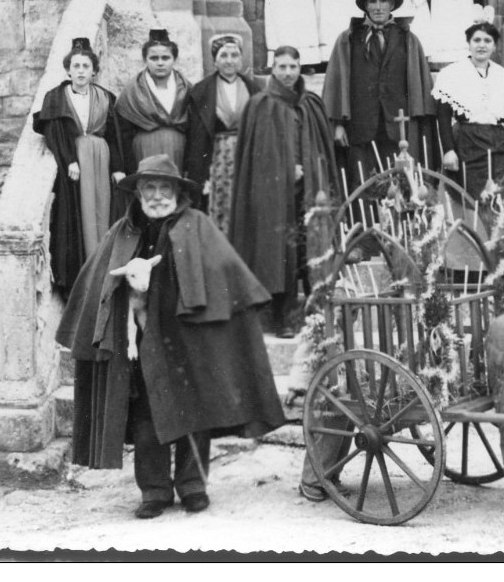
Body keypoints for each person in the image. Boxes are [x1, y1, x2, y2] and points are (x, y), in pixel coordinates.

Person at [56, 154, 286, 519]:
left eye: (166, 188)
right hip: (144, 343)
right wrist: (121, 285)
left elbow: (226, 275)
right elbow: (97, 281)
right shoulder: (123, 231)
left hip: (189, 340)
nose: (158, 195)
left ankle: (193, 485)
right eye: (150, 188)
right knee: (148, 418)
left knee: (196, 411)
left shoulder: (198, 225)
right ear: (139, 192)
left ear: (178, 192)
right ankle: (155, 491)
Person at [229, 46, 338, 338]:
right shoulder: (260, 105)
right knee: (280, 251)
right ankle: (285, 315)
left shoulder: (312, 103)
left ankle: (317, 310)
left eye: (293, 66)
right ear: (272, 68)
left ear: (300, 67)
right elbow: (257, 156)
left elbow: (322, 149)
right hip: (274, 193)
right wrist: (287, 169)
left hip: (311, 191)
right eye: (281, 67)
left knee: (310, 245)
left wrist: (311, 172)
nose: (288, 73)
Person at [322, 0, 435, 196]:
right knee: (364, 187)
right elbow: (336, 82)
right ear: (365, 6)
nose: (378, 7)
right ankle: (367, 230)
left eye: (383, 0)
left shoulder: (408, 39)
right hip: (361, 128)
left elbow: (419, 89)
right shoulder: (349, 39)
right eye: (372, 1)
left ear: (392, 4)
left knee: (401, 187)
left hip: (398, 130)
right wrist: (338, 124)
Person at [33, 37, 125, 295]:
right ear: (68, 70)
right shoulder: (57, 97)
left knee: (102, 211)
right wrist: (69, 159)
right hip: (77, 160)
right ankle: (83, 275)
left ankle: (104, 271)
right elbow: (55, 133)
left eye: (86, 66)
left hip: (102, 158)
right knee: (79, 213)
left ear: (94, 71)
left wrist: (118, 167)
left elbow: (113, 137)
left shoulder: (105, 97)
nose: (81, 71)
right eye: (76, 66)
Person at [184, 34, 262, 234]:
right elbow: (195, 137)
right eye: (224, 55)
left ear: (241, 59)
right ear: (215, 60)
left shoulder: (254, 90)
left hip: (246, 156)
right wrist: (198, 176)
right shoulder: (201, 92)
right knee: (217, 207)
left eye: (235, 55)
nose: (229, 60)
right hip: (215, 158)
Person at [433, 21, 504, 200]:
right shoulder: (451, 75)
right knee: (469, 199)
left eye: (487, 41)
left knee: (499, 196)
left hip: (499, 145)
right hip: (466, 143)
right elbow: (443, 117)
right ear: (469, 43)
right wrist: (449, 150)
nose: (482, 45)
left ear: (494, 46)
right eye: (477, 40)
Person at [116, 29, 192, 174]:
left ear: (174, 59)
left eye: (165, 58)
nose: (160, 63)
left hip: (178, 151)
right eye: (154, 58)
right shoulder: (132, 90)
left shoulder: (187, 89)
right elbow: (124, 134)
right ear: (145, 60)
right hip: (144, 152)